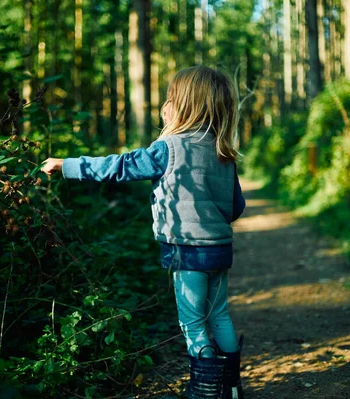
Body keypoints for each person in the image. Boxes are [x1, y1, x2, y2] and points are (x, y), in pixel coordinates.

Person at [41, 65, 245, 399]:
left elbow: (119, 167)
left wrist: (67, 165)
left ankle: (205, 391)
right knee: (219, 314)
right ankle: (232, 388)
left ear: (182, 105)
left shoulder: (170, 148)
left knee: (193, 322)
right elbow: (236, 208)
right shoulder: (222, 152)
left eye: (171, 98)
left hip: (187, 249)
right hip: (220, 249)